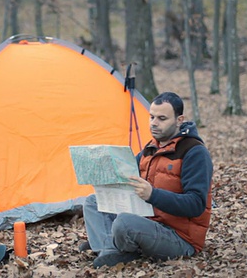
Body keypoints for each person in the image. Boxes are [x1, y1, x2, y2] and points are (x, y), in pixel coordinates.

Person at [80, 92, 213, 268]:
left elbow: (195, 205)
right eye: (151, 117)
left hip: (180, 238)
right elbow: (126, 181)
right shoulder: (150, 148)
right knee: (92, 201)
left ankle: (110, 245)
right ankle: (110, 249)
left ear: (179, 120)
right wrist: (102, 175)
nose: (154, 123)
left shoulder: (194, 152)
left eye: (162, 118)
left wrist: (152, 194)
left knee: (124, 222)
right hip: (149, 222)